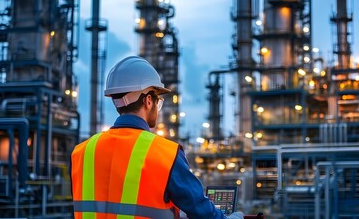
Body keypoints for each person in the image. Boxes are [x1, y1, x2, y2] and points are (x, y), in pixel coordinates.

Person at [71, 56, 244, 219]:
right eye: (158, 101)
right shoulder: (166, 153)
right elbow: (201, 211)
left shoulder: (82, 152)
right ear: (148, 100)